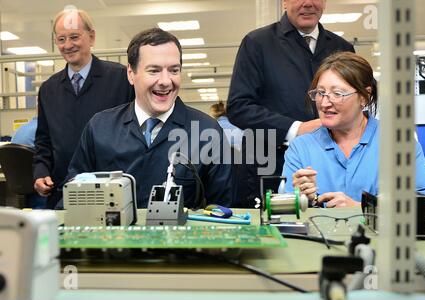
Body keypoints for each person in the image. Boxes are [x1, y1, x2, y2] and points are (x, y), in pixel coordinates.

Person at [65, 28, 233, 209]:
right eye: (154, 71)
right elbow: (73, 200)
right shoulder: (99, 129)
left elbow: (225, 210)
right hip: (114, 237)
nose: (166, 81)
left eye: (174, 70)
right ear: (131, 74)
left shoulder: (206, 131)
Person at [226, 0, 355, 207]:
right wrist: (297, 129)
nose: (308, 4)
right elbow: (238, 106)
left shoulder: (342, 48)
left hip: (330, 169)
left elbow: (355, 105)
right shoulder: (257, 43)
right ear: (284, 2)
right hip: (268, 168)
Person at [282, 51, 425, 207]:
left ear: (364, 96)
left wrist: (362, 208)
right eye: (320, 93)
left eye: (337, 94)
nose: (324, 103)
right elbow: (284, 209)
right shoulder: (301, 149)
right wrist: (302, 200)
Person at [33, 8, 134, 208]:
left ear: (91, 37)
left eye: (74, 37)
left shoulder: (121, 79)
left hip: (112, 192)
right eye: (61, 39)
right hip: (64, 193)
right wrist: (41, 172)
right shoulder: (48, 89)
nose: (68, 45)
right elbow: (43, 141)